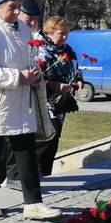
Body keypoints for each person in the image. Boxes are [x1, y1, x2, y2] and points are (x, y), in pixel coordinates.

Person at [0, 0, 61, 221]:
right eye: (12, 7)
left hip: (20, 103)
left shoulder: (22, 28)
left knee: (27, 152)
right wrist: (17, 77)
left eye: (19, 6)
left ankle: (33, 203)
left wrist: (35, 72)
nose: (17, 12)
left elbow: (28, 58)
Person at [34, 16, 83, 176]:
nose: (64, 37)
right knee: (47, 139)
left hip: (61, 102)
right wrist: (56, 85)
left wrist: (79, 79)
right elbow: (37, 77)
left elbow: (76, 68)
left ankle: (46, 174)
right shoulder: (41, 50)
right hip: (44, 102)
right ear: (49, 32)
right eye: (61, 33)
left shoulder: (68, 50)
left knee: (54, 140)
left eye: (66, 33)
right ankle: (36, 174)